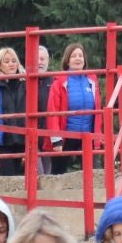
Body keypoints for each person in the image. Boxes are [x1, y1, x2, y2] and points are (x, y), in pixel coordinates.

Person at [44, 44, 99, 173]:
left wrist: (97, 136)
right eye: (73, 56)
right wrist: (56, 140)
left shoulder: (92, 81)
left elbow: (97, 111)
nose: (78, 58)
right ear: (67, 60)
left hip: (87, 135)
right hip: (66, 135)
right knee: (58, 173)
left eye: (80, 55)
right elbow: (53, 111)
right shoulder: (59, 82)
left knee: (92, 173)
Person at [0, 47, 31, 177]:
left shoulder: (25, 85)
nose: (11, 64)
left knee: (19, 177)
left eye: (14, 61)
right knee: (8, 175)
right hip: (1, 140)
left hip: (21, 138)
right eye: (7, 61)